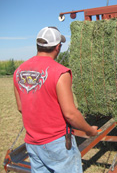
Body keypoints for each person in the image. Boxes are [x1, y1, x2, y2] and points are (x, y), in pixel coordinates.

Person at [13, 26, 98, 173]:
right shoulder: (60, 72)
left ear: (38, 45)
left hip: (32, 143)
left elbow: (21, 107)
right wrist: (89, 130)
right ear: (58, 47)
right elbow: (70, 114)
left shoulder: (19, 71)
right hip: (57, 143)